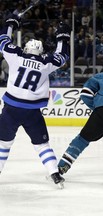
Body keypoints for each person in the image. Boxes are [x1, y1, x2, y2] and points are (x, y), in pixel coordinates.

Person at [0, 16, 70, 188]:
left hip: (11, 109)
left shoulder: (16, 56)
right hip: (32, 111)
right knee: (42, 145)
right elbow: (62, 56)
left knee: (3, 143)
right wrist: (63, 36)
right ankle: (55, 174)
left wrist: (11, 23)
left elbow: (2, 40)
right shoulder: (46, 63)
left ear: (25, 48)